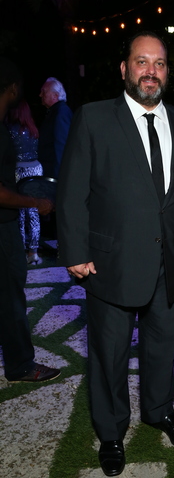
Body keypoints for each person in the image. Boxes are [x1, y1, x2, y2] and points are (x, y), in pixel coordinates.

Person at [56, 31, 174, 477]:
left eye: (159, 63)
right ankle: (110, 431)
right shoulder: (94, 118)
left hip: (169, 264)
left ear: (166, 72)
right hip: (109, 263)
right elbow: (71, 194)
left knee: (164, 346)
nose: (150, 71)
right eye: (141, 62)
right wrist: (75, 250)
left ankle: (159, 411)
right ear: (124, 69)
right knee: (110, 353)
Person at [0, 56, 61, 383]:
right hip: (4, 225)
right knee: (11, 298)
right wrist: (34, 201)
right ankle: (21, 365)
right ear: (11, 88)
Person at [6, 99, 43, 264]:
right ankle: (33, 252)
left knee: (20, 212)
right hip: (35, 169)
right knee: (34, 212)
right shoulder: (33, 129)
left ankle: (20, 250)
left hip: (19, 171)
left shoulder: (11, 130)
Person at [38, 77, 73, 179]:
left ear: (55, 95)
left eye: (44, 92)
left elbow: (61, 146)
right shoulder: (56, 112)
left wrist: (58, 177)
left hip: (54, 173)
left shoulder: (60, 113)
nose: (40, 95)